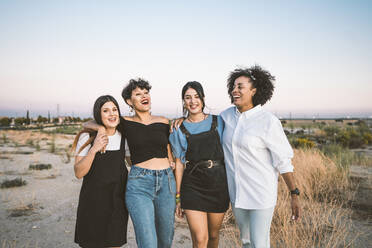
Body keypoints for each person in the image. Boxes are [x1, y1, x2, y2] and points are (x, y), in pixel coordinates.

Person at [83, 78, 176, 248]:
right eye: (138, 94)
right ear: (129, 101)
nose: (144, 96)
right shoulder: (124, 122)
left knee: (165, 240)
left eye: (146, 92)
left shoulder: (163, 121)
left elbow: (168, 147)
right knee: (148, 242)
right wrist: (101, 129)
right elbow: (89, 122)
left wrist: (171, 161)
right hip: (140, 184)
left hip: (167, 182)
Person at [220, 65, 301, 248]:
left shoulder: (268, 121)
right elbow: (203, 123)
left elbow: (283, 161)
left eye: (240, 87)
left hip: (260, 194)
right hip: (237, 194)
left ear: (254, 91)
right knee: (246, 241)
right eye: (233, 86)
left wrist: (294, 193)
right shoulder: (226, 116)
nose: (234, 90)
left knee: (259, 243)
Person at [169, 81, 229, 248]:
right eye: (188, 97)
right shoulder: (178, 129)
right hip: (192, 185)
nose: (192, 101)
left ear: (203, 98)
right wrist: (178, 196)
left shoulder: (220, 122)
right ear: (183, 102)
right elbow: (179, 163)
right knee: (200, 238)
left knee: (213, 235)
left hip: (218, 184)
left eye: (196, 96)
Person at [72, 95, 128, 248]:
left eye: (114, 109)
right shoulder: (87, 136)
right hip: (92, 205)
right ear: (99, 115)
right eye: (106, 111)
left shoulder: (125, 136)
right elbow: (78, 172)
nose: (112, 114)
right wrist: (95, 148)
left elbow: (132, 162)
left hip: (117, 204)